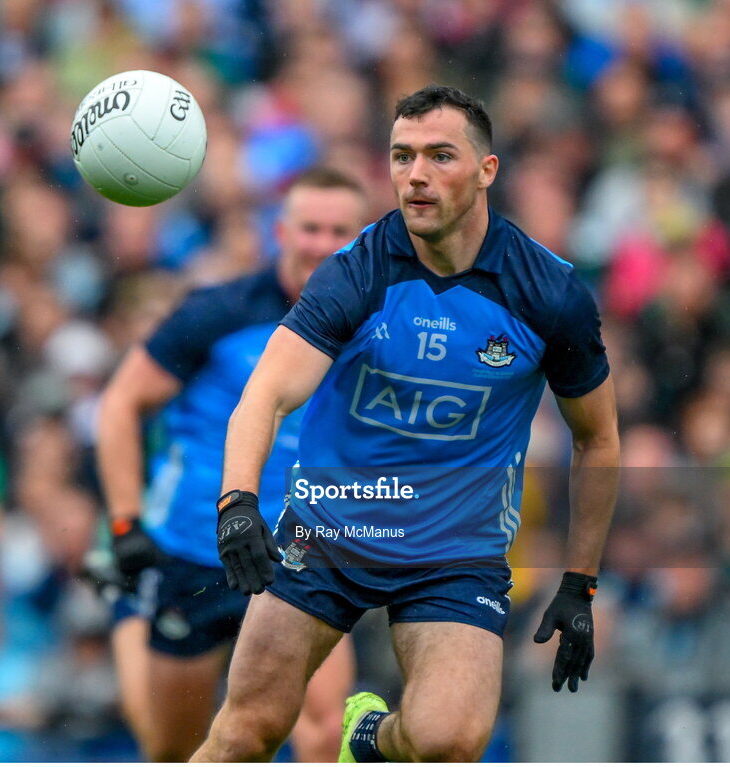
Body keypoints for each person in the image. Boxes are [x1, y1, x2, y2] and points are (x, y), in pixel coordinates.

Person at [192, 85, 620, 762]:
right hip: (329, 530)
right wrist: (237, 501)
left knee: (447, 740)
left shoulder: (549, 293)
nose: (415, 174)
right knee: (247, 731)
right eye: (401, 156)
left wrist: (580, 580)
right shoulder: (356, 272)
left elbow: (597, 438)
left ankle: (367, 740)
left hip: (454, 552)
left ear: (487, 170)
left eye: (439, 155)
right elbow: (266, 392)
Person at [94, 167, 368, 761]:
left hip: (302, 555)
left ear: (360, 239)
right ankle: (126, 607)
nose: (322, 243)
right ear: (281, 231)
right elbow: (120, 404)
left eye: (339, 231)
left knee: (323, 729)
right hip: (193, 550)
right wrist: (123, 523)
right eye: (310, 227)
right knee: (168, 746)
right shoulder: (217, 312)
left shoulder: (376, 327)